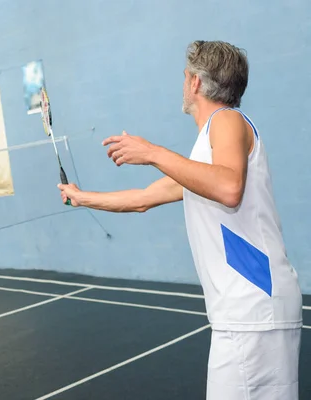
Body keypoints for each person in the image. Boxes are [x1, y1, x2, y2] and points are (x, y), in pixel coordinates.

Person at [58, 40, 303, 399]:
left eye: (185, 75)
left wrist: (153, 152)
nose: (183, 82)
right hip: (250, 311)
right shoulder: (206, 156)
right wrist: (81, 197)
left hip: (251, 306)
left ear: (196, 83)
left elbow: (230, 187)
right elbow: (143, 199)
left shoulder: (227, 120)